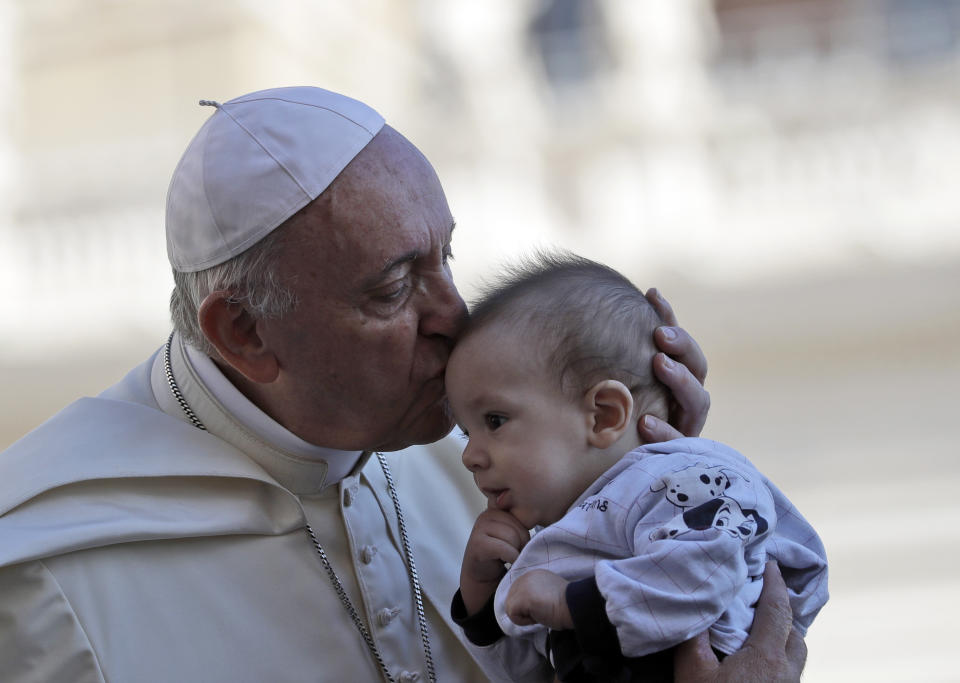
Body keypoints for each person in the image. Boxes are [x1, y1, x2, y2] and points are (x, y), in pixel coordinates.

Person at [0, 86, 804, 682]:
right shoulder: (42, 574)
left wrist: (633, 475)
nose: (453, 314)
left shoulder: (506, 447)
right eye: (393, 289)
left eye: (445, 258)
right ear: (244, 333)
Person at [446, 253, 828, 681]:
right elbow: (531, 673)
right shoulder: (571, 533)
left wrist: (566, 604)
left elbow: (703, 574)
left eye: (494, 422)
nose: (469, 456)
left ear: (604, 416)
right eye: (465, 433)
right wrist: (483, 599)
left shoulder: (681, 480)